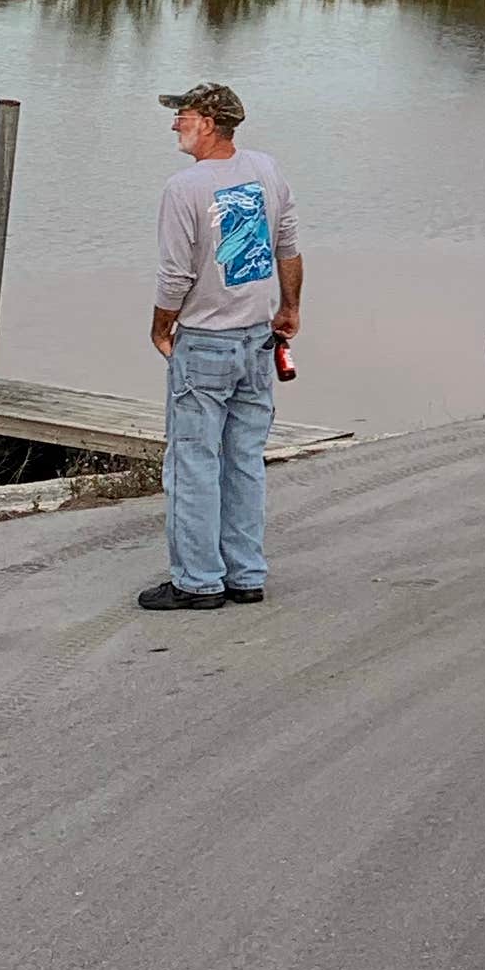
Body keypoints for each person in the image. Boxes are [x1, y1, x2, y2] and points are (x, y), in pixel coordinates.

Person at [139, 81, 303, 615]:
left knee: (192, 462)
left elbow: (174, 274)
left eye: (181, 115)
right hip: (258, 339)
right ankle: (245, 574)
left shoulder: (183, 188)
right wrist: (290, 308)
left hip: (206, 341)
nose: (174, 125)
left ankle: (197, 581)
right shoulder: (267, 170)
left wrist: (161, 327)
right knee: (244, 460)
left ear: (208, 122)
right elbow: (289, 248)